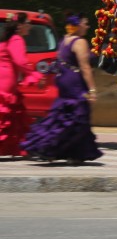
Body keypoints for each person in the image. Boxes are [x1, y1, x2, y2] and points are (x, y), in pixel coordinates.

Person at [21, 13, 102, 164]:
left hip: (63, 80)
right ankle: (50, 147)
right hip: (75, 81)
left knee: (63, 114)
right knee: (78, 115)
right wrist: (92, 89)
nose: (88, 26)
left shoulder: (64, 40)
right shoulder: (80, 42)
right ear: (77, 26)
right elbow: (85, 68)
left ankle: (70, 152)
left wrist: (45, 76)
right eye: (85, 23)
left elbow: (57, 62)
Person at [0, 13, 42, 158]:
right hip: (6, 80)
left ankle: (13, 148)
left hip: (4, 77)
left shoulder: (8, 39)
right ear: (20, 26)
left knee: (10, 113)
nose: (29, 26)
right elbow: (20, 62)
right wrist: (33, 75)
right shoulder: (17, 39)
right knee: (6, 111)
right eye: (28, 23)